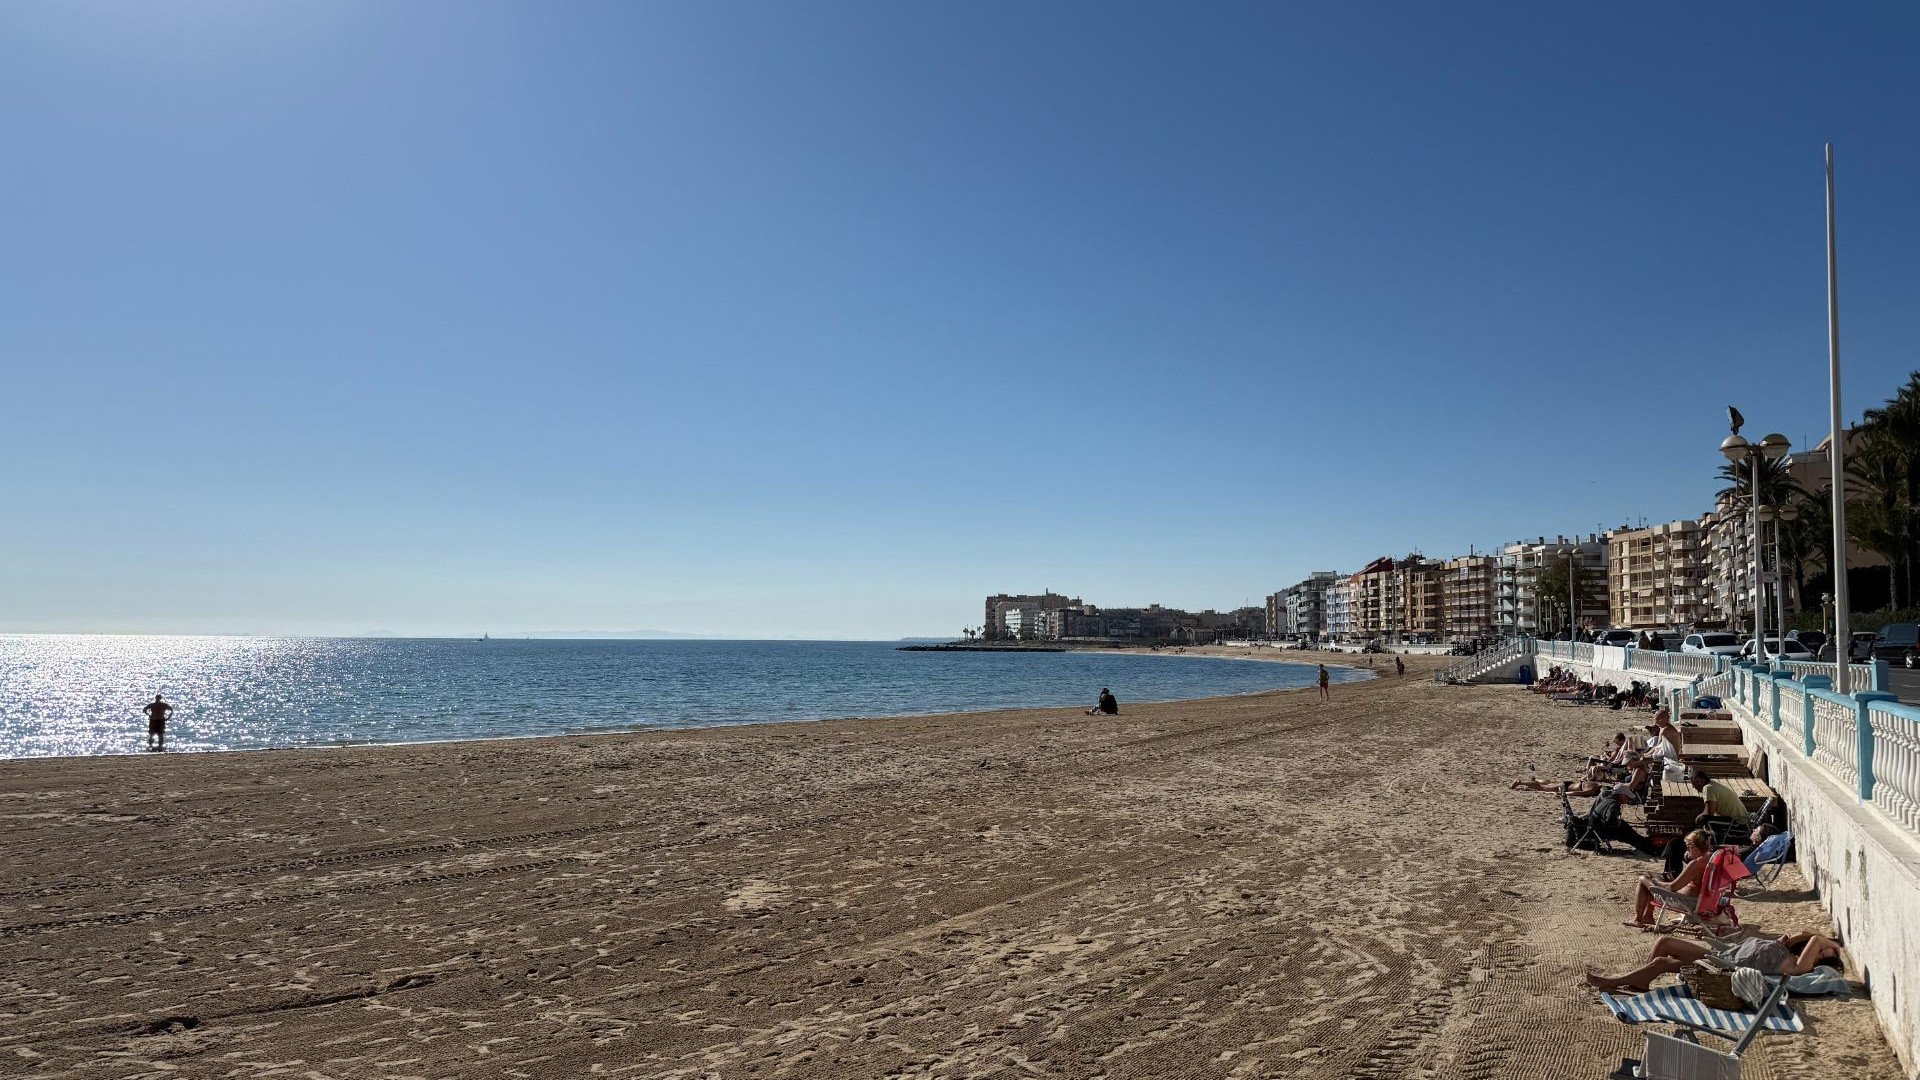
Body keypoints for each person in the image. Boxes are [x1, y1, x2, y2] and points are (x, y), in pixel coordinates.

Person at [1585, 932, 1843, 993]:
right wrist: (1793, 939)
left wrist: (1832, 945)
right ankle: (1641, 981)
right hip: (1725, 954)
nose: (1820, 953)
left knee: (1663, 959)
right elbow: (1809, 937)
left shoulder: (1801, 967)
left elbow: (1817, 938)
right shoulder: (1789, 953)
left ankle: (1616, 982)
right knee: (1664, 942)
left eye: (1824, 954)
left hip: (1723, 966)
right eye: (1823, 951)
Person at [1627, 830, 1710, 927]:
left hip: (1686, 902)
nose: (1686, 849)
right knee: (1653, 879)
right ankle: (1648, 917)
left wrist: (1657, 883)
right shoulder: (1711, 859)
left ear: (1694, 846)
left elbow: (1672, 887)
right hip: (1703, 901)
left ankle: (1637, 919)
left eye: (1687, 845)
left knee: (1643, 879)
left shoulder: (1696, 864)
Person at [1690, 768, 1753, 836]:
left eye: (1693, 784)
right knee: (1706, 819)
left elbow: (1709, 813)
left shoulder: (1708, 788)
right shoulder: (1712, 785)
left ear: (1699, 782)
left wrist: (1697, 818)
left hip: (1739, 823)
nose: (1693, 787)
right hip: (1742, 821)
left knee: (1704, 820)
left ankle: (1716, 841)